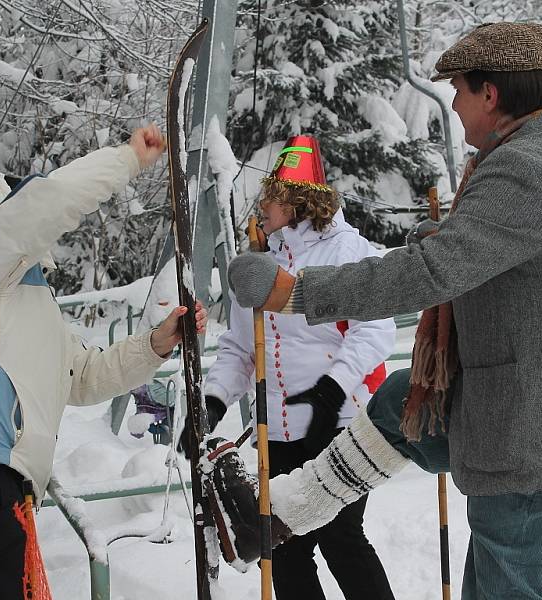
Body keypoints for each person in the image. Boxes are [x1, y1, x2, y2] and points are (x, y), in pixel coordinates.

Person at [212, 22, 542, 599]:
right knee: (401, 403)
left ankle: (279, 514)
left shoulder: (525, 169)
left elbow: (430, 273)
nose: (456, 108)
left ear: (491, 94)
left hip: (531, 437)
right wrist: (462, 237)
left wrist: (295, 293)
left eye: (460, 91)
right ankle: (280, 514)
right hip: (529, 416)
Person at [0, 123, 208, 599]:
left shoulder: (25, 303)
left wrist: (158, 343)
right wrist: (128, 159)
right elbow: (50, 201)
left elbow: (85, 375)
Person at [184, 136, 396, 599]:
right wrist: (214, 402)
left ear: (299, 202)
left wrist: (332, 389)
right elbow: (241, 349)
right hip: (276, 431)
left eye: (271, 197)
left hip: (335, 425)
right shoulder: (259, 265)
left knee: (341, 539)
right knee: (285, 549)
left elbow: (375, 331)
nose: (260, 207)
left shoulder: (348, 252)